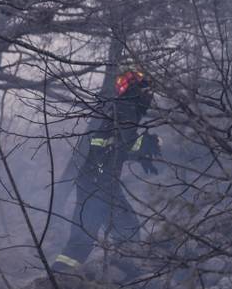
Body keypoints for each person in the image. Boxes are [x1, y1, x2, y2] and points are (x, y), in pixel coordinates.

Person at [52, 70, 161, 274]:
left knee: (82, 237)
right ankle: (128, 274)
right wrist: (147, 144)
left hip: (91, 180)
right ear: (138, 90)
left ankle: (58, 276)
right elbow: (124, 144)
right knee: (127, 228)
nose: (149, 97)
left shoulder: (115, 109)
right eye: (148, 92)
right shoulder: (127, 108)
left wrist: (141, 155)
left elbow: (112, 147)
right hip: (101, 182)